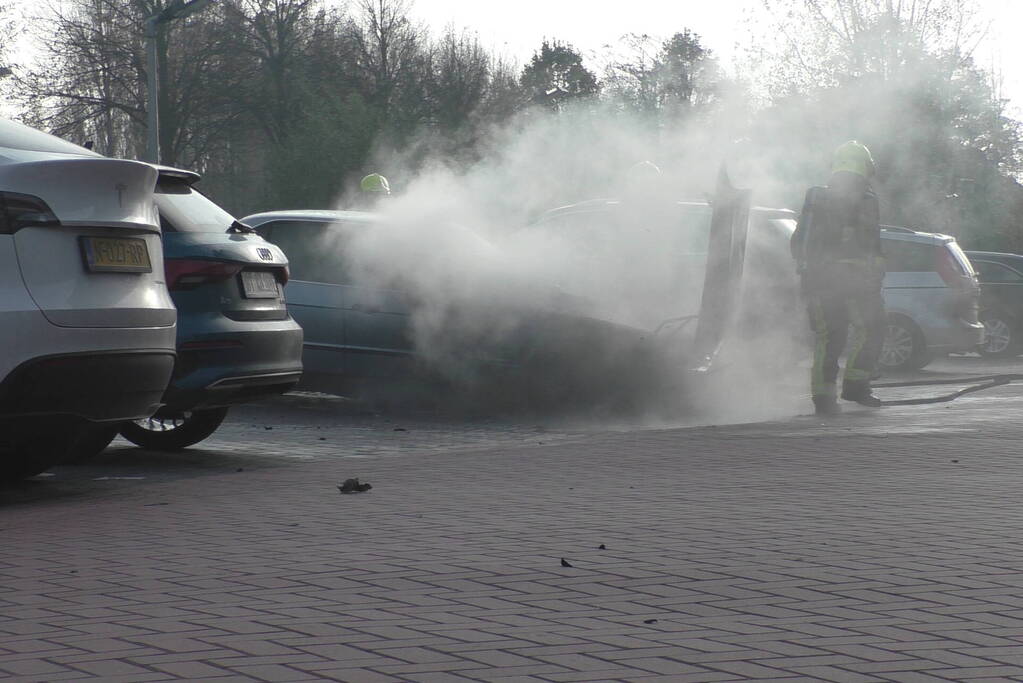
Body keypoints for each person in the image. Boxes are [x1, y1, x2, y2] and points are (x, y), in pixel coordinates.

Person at [790, 141, 886, 415]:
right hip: (847, 281)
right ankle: (854, 386)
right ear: (867, 167)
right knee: (872, 326)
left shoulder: (818, 198)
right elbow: (873, 247)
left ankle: (825, 397)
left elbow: (798, 244)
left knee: (831, 336)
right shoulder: (867, 202)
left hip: (822, 282)